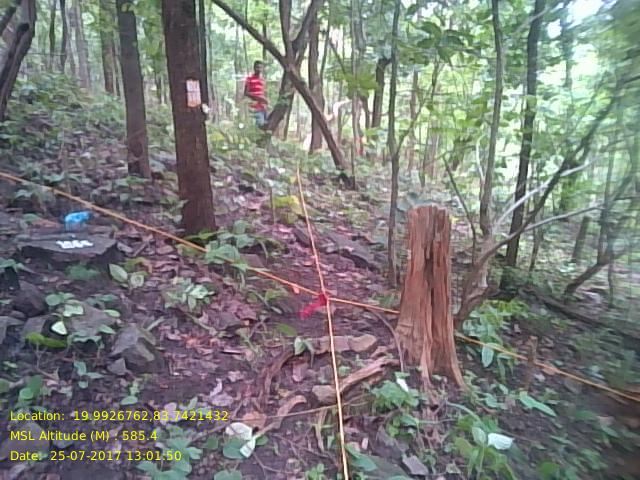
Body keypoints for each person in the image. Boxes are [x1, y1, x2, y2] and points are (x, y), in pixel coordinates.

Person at [244, 60, 268, 127]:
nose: (259, 69)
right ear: (254, 68)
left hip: (263, 107)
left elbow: (263, 93)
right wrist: (258, 98)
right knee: (260, 125)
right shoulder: (249, 79)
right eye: (257, 67)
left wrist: (265, 102)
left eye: (260, 67)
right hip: (255, 107)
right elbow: (246, 93)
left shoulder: (262, 80)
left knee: (266, 126)